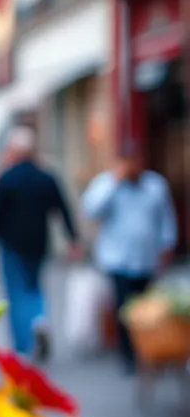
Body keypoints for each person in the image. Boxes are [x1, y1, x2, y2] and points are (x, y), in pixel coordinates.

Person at [82, 147, 179, 374]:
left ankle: (147, 352)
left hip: (146, 258)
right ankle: (128, 355)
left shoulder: (156, 185)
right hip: (118, 258)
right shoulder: (107, 184)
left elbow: (165, 217)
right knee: (124, 308)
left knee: (147, 311)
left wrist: (167, 244)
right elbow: (91, 210)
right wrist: (115, 182)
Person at [0, 127, 80, 361]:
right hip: (39, 242)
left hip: (12, 244)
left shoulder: (7, 178)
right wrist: (73, 238)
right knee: (35, 287)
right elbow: (63, 208)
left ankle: (22, 346)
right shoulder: (46, 177)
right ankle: (40, 319)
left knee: (17, 293)